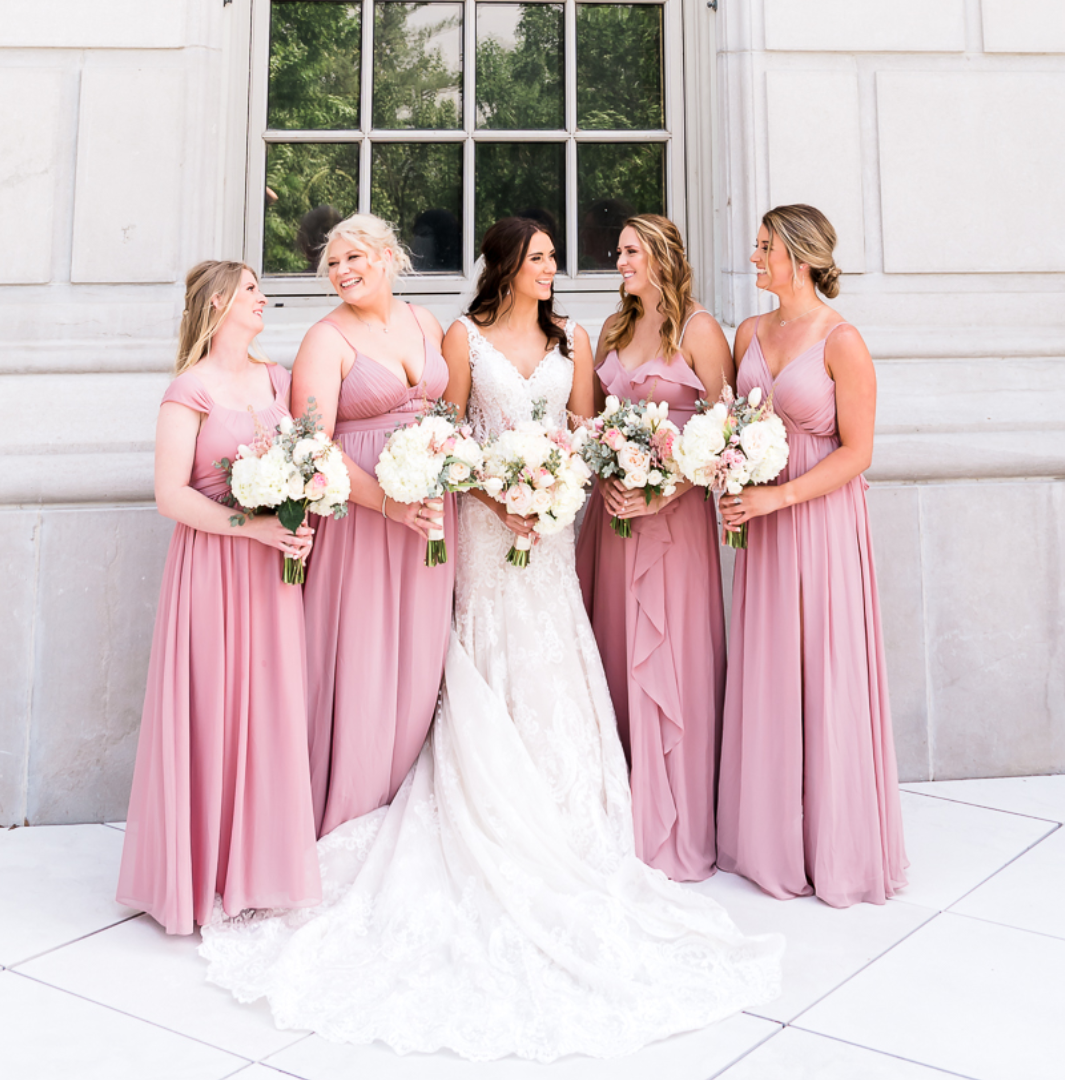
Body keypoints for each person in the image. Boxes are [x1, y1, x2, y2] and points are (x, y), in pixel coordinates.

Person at [199, 218, 782, 1062]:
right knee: (481, 652)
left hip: (550, 530)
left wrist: (551, 493)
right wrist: (497, 495)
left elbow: (583, 434)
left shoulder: (577, 338)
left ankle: (570, 817)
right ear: (509, 267)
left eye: (554, 259)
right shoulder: (460, 337)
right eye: (541, 258)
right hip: (480, 524)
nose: (555, 269)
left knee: (554, 652)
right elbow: (452, 437)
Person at [117, 261, 320, 935]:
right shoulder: (189, 390)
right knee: (211, 706)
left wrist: (297, 523)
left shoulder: (280, 380)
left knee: (268, 710)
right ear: (218, 305)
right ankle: (194, 871)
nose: (263, 297)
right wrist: (249, 526)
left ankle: (256, 871)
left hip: (272, 574)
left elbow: (308, 467)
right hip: (211, 569)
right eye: (251, 289)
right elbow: (170, 495)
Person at [716, 204, 909, 907]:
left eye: (765, 246)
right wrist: (728, 475)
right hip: (761, 525)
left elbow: (858, 452)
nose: (754, 256)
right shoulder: (748, 332)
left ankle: (836, 846)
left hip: (819, 521)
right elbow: (732, 424)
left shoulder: (842, 340)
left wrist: (780, 497)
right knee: (770, 665)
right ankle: (770, 841)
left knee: (824, 667)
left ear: (798, 258)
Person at [576, 214, 734, 882]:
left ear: (663, 256)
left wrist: (663, 492)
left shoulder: (699, 330)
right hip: (612, 520)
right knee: (615, 652)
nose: (620, 262)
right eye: (618, 253)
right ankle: (622, 812)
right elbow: (588, 423)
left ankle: (679, 822)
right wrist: (607, 477)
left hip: (675, 521)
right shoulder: (614, 329)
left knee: (672, 655)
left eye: (631, 252)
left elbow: (727, 434)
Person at [291, 212, 454, 838]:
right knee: (361, 659)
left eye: (353, 258)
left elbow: (448, 415)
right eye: (332, 264)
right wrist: (389, 505)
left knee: (420, 658)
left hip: (431, 516)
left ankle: (404, 807)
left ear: (388, 257)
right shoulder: (325, 339)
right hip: (361, 519)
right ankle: (350, 808)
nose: (342, 271)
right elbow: (313, 446)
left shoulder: (426, 322)